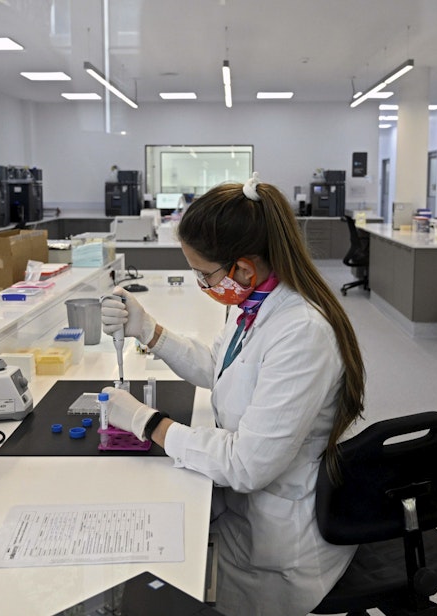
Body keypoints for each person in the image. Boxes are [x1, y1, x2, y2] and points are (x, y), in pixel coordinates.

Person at [100, 173, 366, 616]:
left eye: (203, 273)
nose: (200, 284)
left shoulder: (301, 331)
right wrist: (148, 330)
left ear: (243, 268)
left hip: (279, 543)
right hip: (246, 510)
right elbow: (219, 369)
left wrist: (148, 423)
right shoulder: (257, 304)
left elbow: (246, 465)